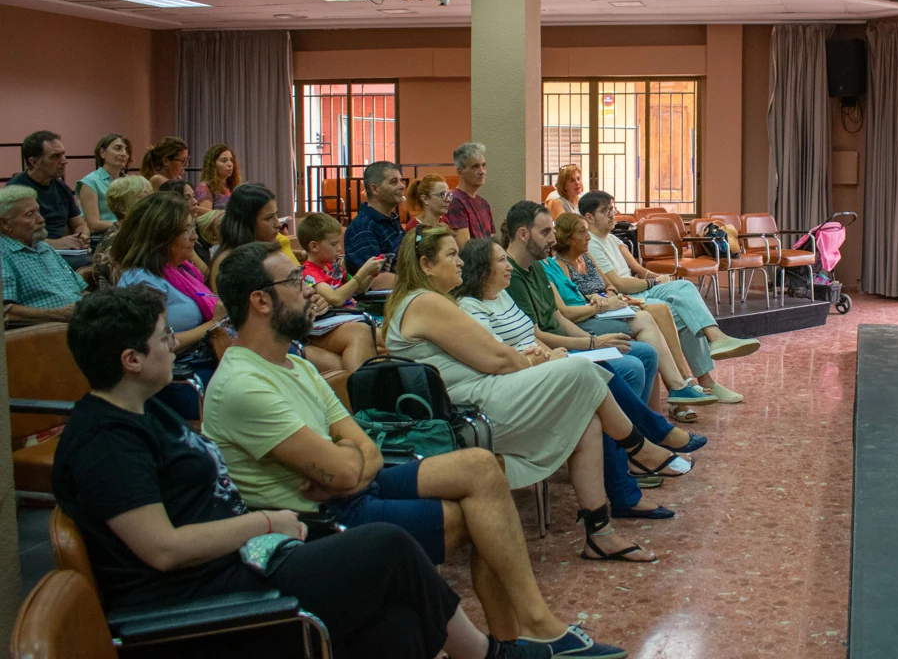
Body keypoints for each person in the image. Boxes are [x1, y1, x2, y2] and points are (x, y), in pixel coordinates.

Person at [52, 286, 551, 659]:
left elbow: (352, 444)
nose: (175, 345)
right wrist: (265, 522)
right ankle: (489, 654)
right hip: (206, 596)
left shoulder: (146, 409)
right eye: (164, 338)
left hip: (243, 561)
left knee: (397, 625)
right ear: (131, 359)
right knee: (386, 546)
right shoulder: (105, 442)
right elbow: (162, 549)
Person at [202, 242, 626, 659]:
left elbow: (362, 445)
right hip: (321, 515)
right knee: (483, 515)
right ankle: (513, 640)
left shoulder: (294, 365)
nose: (309, 288)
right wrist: (352, 461)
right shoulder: (244, 383)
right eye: (295, 280)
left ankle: (525, 632)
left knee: (482, 467)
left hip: (349, 487)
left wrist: (352, 459)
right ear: (260, 301)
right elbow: (346, 472)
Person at [384, 224, 692, 562]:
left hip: (485, 395)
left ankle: (600, 533)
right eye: (451, 254)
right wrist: (534, 359)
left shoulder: (432, 301)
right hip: (470, 408)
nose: (460, 262)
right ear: (426, 265)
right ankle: (638, 446)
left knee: (587, 418)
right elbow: (498, 358)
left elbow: (502, 351)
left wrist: (532, 357)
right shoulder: (426, 302)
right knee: (580, 370)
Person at [457, 236, 704, 510]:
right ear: (482, 269)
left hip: (542, 363)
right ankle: (646, 442)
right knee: (593, 373)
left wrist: (556, 354)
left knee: (598, 384)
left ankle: (629, 485)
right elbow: (500, 358)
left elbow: (530, 335)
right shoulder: (469, 307)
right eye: (501, 261)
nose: (509, 267)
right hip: (517, 383)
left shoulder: (501, 294)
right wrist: (557, 355)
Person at [580, 191, 757, 404]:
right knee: (680, 314)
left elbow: (638, 269)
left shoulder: (614, 239)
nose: (612, 214)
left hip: (641, 288)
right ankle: (695, 380)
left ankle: (714, 346)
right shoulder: (591, 244)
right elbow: (618, 283)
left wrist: (661, 277)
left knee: (682, 287)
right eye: (605, 211)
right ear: (589, 217)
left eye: (612, 208)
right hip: (627, 295)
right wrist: (653, 282)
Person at [545, 212, 714, 409]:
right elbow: (571, 306)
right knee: (651, 318)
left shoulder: (587, 256)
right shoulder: (556, 265)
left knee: (672, 303)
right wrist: (602, 303)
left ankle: (683, 384)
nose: (588, 237)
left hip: (608, 304)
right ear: (567, 237)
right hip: (594, 313)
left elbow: (609, 285)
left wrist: (611, 297)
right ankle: (681, 386)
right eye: (582, 233)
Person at [212, 184, 376, 374]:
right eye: (268, 218)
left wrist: (315, 299)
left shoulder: (270, 249)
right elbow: (235, 319)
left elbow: (295, 287)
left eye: (276, 215)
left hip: (298, 324)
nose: (277, 223)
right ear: (247, 222)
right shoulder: (228, 262)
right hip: (271, 339)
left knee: (364, 335)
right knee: (344, 365)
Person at [113, 193, 226, 371]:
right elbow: (155, 346)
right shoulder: (143, 281)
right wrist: (213, 323)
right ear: (161, 236)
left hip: (201, 359)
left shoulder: (180, 270)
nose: (194, 237)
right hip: (177, 374)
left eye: (193, 228)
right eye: (187, 230)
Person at [0, 186, 86, 323]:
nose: (41, 219)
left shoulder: (45, 247)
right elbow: (5, 311)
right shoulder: (3, 255)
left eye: (38, 211)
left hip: (82, 323)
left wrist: (96, 305)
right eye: (30, 214)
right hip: (45, 334)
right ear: (5, 223)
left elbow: (81, 290)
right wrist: (60, 314)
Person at [8, 130, 89, 251]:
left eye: (63, 154)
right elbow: (15, 238)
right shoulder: (15, 191)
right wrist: (56, 244)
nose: (64, 161)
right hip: (36, 252)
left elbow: (79, 224)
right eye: (56, 156)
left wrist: (82, 236)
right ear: (34, 162)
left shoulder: (61, 187)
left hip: (67, 250)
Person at [298, 212, 383, 309]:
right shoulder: (309, 273)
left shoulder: (334, 267)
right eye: (334, 244)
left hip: (353, 312)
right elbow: (335, 299)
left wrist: (372, 273)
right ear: (314, 246)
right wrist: (364, 271)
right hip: (336, 317)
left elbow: (360, 288)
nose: (339, 248)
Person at [344, 160, 406, 289]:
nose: (402, 186)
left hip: (404, 293)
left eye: (401, 180)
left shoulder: (390, 219)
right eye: (394, 182)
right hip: (383, 302)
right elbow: (376, 280)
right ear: (375, 189)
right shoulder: (363, 227)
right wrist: (422, 286)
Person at [92, 174, 153, 289]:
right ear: (123, 208)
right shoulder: (116, 243)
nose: (154, 204)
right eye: (144, 198)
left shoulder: (141, 235)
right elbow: (130, 290)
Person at [77, 133, 131, 235]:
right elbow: (93, 224)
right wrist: (127, 226)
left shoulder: (130, 182)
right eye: (118, 148)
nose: (124, 153)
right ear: (102, 153)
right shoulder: (90, 182)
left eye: (126, 150)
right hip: (103, 238)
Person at [447, 143, 494, 248]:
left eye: (484, 165)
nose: (482, 171)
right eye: (475, 167)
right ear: (460, 172)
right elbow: (465, 249)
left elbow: (491, 241)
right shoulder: (454, 201)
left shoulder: (484, 204)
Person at [159, 179, 209, 276]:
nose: (195, 202)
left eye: (194, 196)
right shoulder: (176, 235)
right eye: (187, 198)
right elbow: (205, 272)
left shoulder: (196, 226)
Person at [196, 144, 241, 212]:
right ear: (213, 164)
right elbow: (207, 218)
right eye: (224, 160)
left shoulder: (232, 185)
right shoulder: (205, 187)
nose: (230, 164)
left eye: (231, 160)